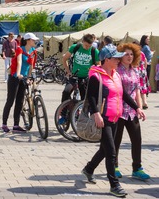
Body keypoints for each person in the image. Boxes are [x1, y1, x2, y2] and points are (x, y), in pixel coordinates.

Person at [81, 44, 146, 197]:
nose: (119, 59)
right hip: (103, 119)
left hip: (116, 117)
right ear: (107, 59)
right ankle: (114, 185)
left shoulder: (115, 74)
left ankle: (89, 169)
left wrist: (137, 108)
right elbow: (90, 96)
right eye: (116, 57)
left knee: (105, 149)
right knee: (111, 152)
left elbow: (123, 94)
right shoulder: (96, 75)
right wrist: (96, 114)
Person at [113, 43, 150, 181]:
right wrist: (137, 107)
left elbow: (137, 91)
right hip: (119, 109)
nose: (129, 57)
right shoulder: (117, 70)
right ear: (121, 56)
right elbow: (122, 92)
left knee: (137, 139)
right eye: (126, 54)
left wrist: (139, 107)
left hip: (132, 111)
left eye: (131, 54)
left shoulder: (135, 70)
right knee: (116, 140)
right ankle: (114, 166)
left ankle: (137, 168)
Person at [1, 33, 38, 133]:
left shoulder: (33, 51)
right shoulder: (20, 49)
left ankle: (16, 125)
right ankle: (4, 124)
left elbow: (31, 66)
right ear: (28, 40)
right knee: (10, 100)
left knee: (20, 102)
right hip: (15, 77)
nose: (35, 41)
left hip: (24, 78)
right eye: (33, 40)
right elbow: (19, 62)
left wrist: (29, 77)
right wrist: (18, 73)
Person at [60, 34, 99, 118]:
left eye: (89, 46)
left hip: (86, 78)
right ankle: (63, 114)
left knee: (84, 98)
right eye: (85, 45)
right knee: (66, 92)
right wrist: (68, 71)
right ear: (82, 41)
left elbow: (98, 66)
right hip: (74, 76)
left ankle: (82, 116)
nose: (87, 47)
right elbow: (64, 59)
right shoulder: (75, 47)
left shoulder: (94, 51)